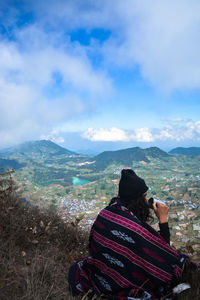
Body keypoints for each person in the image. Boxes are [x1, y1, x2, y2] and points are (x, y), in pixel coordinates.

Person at [68, 169, 197, 299]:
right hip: (123, 283)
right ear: (138, 199)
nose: (147, 200)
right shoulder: (135, 230)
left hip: (101, 275)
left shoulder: (106, 212)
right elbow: (163, 259)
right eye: (145, 196)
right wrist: (163, 220)